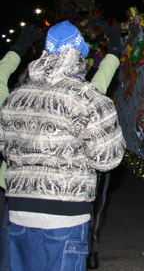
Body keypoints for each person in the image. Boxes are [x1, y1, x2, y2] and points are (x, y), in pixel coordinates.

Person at [0, 21, 125, 271]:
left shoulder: (15, 98)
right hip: (65, 215)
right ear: (79, 56)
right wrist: (113, 52)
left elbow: (5, 146)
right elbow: (108, 159)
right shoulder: (86, 97)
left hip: (18, 211)